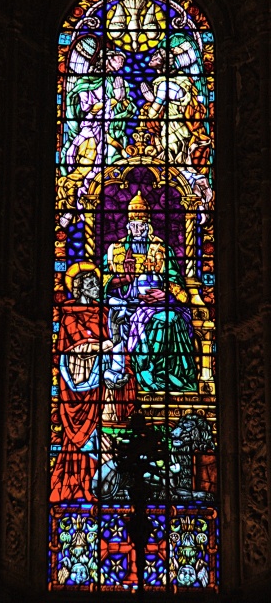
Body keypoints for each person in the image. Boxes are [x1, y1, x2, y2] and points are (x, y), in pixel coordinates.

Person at [50, 262, 135, 502]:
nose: (97, 287)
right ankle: (95, 483)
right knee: (92, 434)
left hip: (104, 384)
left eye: (97, 283)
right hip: (80, 387)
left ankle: (110, 482)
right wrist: (109, 343)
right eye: (90, 284)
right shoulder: (69, 314)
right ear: (79, 289)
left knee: (107, 429)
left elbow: (118, 341)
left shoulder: (106, 312)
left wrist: (118, 339)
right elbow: (77, 349)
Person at [104, 191, 198, 394]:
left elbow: (176, 281)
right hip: (128, 305)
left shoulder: (162, 249)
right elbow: (101, 282)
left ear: (147, 225)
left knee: (171, 319)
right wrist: (124, 280)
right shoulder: (116, 250)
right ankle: (147, 376)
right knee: (153, 322)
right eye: (134, 225)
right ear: (128, 225)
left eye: (141, 225)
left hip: (161, 304)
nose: (137, 229)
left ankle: (173, 378)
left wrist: (166, 293)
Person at [57, 49, 137, 226]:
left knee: (95, 175)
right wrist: (112, 101)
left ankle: (82, 210)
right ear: (108, 59)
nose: (122, 65)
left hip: (102, 132)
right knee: (84, 170)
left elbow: (118, 113)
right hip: (89, 131)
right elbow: (87, 107)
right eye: (119, 60)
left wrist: (121, 102)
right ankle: (69, 206)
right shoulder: (87, 82)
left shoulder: (112, 82)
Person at [140, 43, 212, 212]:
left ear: (163, 62)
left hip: (173, 129)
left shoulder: (165, 85)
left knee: (173, 162)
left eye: (156, 56)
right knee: (178, 162)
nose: (151, 58)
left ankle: (195, 193)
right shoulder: (178, 81)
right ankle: (197, 186)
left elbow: (153, 113)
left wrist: (151, 101)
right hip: (178, 127)